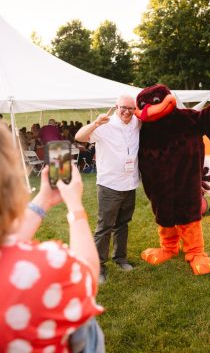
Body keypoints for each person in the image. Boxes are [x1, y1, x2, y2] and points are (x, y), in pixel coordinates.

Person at [0, 123, 105, 352]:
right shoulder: (46, 263)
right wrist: (75, 205)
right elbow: (88, 273)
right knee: (87, 325)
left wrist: (44, 199)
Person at [75, 95, 140, 284]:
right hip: (109, 184)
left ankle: (120, 258)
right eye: (123, 108)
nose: (127, 112)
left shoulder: (137, 122)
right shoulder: (105, 124)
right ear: (116, 107)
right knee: (104, 227)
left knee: (123, 223)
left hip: (130, 183)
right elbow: (79, 137)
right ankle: (98, 267)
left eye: (131, 108)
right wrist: (96, 123)